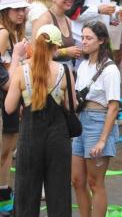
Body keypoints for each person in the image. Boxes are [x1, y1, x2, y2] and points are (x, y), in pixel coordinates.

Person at [5, 24, 73, 216]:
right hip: (58, 139)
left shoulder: (21, 72)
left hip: (30, 139)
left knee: (26, 193)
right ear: (56, 48)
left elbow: (9, 107)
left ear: (34, 45)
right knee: (59, 193)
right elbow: (71, 106)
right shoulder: (64, 71)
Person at [71, 21, 121, 217]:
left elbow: (114, 106)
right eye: (82, 37)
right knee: (76, 180)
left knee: (95, 182)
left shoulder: (110, 70)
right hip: (81, 122)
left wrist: (102, 139)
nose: (84, 42)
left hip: (98, 123)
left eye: (89, 38)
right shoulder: (83, 65)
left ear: (101, 41)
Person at [0, 0, 29, 204]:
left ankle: (4, 192)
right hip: (5, 100)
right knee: (3, 151)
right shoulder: (3, 34)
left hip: (11, 100)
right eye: (16, 9)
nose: (21, 13)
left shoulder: (16, 34)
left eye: (23, 9)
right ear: (5, 11)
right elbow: (7, 81)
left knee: (7, 152)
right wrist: (19, 56)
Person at [33, 0, 81, 68]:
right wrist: (65, 52)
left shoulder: (68, 20)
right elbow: (35, 52)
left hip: (67, 73)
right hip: (48, 74)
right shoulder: (45, 19)